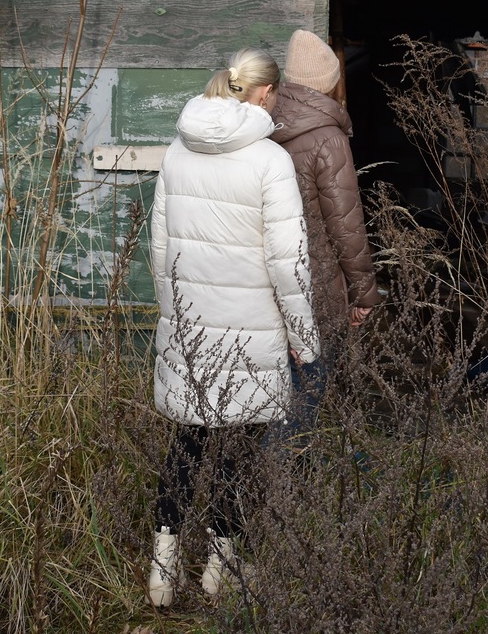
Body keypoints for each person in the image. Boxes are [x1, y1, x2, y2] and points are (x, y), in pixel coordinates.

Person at [147, 47, 319, 606]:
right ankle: (219, 572)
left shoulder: (177, 151)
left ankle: (162, 570)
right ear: (266, 94)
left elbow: (159, 250)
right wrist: (304, 341)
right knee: (237, 454)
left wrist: (172, 314)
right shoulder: (270, 161)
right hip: (252, 333)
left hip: (190, 328)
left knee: (188, 442)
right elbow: (288, 265)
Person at [268, 29, 381, 445]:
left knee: (267, 388)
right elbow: (345, 224)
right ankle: (278, 485)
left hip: (264, 283)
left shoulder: (262, 124)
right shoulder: (328, 137)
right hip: (315, 285)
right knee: (307, 391)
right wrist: (364, 294)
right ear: (330, 82)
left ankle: (259, 481)